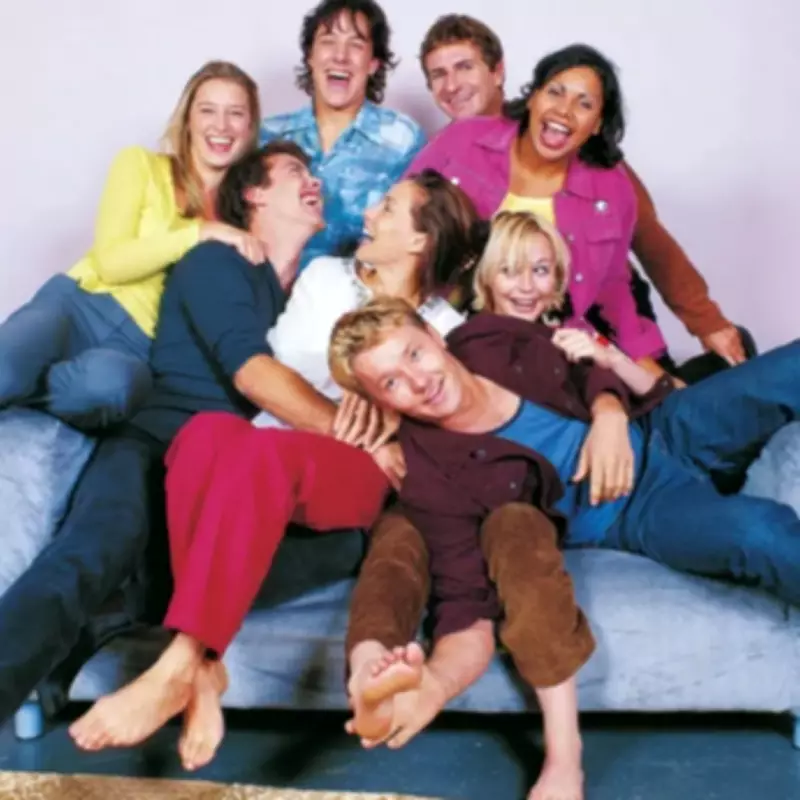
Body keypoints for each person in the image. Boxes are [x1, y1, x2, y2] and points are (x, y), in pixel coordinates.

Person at [68, 170, 482, 772]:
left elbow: (444, 425)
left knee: (257, 454)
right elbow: (276, 370)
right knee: (205, 432)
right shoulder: (325, 277)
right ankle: (206, 673)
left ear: (421, 240)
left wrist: (384, 422)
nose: (368, 214)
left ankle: (180, 664)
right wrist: (351, 401)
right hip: (275, 441)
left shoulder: (447, 329)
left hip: (359, 469)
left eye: (389, 208)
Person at [328, 296, 800, 796]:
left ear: (433, 335)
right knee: (760, 533)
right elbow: (466, 608)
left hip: (661, 425)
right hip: (635, 509)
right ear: (382, 403)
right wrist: (437, 684)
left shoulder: (488, 335)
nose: (419, 381)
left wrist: (608, 413)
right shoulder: (431, 479)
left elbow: (581, 360)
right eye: (392, 383)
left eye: (414, 354)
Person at [0, 140, 322, 733]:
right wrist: (353, 432)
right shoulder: (218, 262)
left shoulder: (297, 300)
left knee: (311, 546)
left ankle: (94, 634)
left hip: (217, 471)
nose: (315, 182)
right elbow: (250, 374)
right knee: (90, 553)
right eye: (296, 171)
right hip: (150, 445)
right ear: (254, 194)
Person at [417, 16, 749, 372]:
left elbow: (652, 244)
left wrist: (707, 321)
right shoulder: (448, 150)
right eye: (438, 74)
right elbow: (402, 236)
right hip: (510, 324)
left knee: (693, 376)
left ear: (498, 72)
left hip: (598, 305)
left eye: (464, 67)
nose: (452, 85)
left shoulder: (591, 160)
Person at [0, 61, 263, 430]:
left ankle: (28, 387)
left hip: (136, 347)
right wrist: (198, 232)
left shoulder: (243, 220)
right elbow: (111, 263)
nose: (221, 126)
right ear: (188, 119)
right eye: (208, 110)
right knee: (6, 370)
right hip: (77, 306)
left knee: (110, 390)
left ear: (250, 127)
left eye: (235, 113)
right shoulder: (141, 165)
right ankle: (19, 381)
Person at [260, 0, 426, 269]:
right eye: (328, 41)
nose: (340, 56)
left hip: (360, 291)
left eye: (356, 44)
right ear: (310, 56)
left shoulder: (402, 139)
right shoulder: (267, 136)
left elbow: (414, 237)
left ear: (373, 63)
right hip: (267, 288)